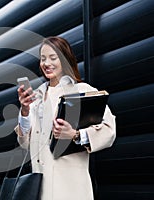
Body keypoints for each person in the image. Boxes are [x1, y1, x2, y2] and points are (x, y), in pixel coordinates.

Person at [15, 36, 116, 200]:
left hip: (71, 189)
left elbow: (109, 131)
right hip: (40, 188)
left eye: (53, 58)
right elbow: (25, 143)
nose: (46, 63)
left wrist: (74, 134)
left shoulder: (82, 90)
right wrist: (25, 111)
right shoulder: (37, 97)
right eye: (43, 59)